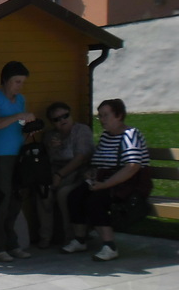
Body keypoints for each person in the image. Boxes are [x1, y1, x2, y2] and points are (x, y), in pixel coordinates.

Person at [62, 99, 151, 262]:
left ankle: (109, 246)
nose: (102, 119)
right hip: (105, 180)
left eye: (105, 115)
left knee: (95, 201)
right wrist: (90, 173)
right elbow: (98, 162)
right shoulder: (106, 136)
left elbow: (132, 166)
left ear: (119, 116)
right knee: (74, 196)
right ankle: (80, 239)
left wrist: (104, 185)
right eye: (100, 116)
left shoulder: (130, 135)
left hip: (127, 183)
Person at [0, 60, 36, 262]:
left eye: (22, 82)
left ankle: (12, 243)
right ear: (6, 80)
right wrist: (18, 116)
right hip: (0, 154)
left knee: (15, 200)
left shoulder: (21, 99)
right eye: (17, 82)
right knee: (1, 200)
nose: (20, 86)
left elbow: (19, 126)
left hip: (18, 153)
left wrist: (30, 128)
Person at [35, 101, 94, 248]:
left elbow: (81, 158)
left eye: (65, 116)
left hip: (79, 173)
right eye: (57, 119)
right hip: (55, 173)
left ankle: (71, 237)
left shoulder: (81, 130)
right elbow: (47, 159)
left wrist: (60, 175)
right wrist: (51, 146)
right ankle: (45, 236)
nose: (62, 120)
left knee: (64, 194)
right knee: (43, 193)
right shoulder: (50, 136)